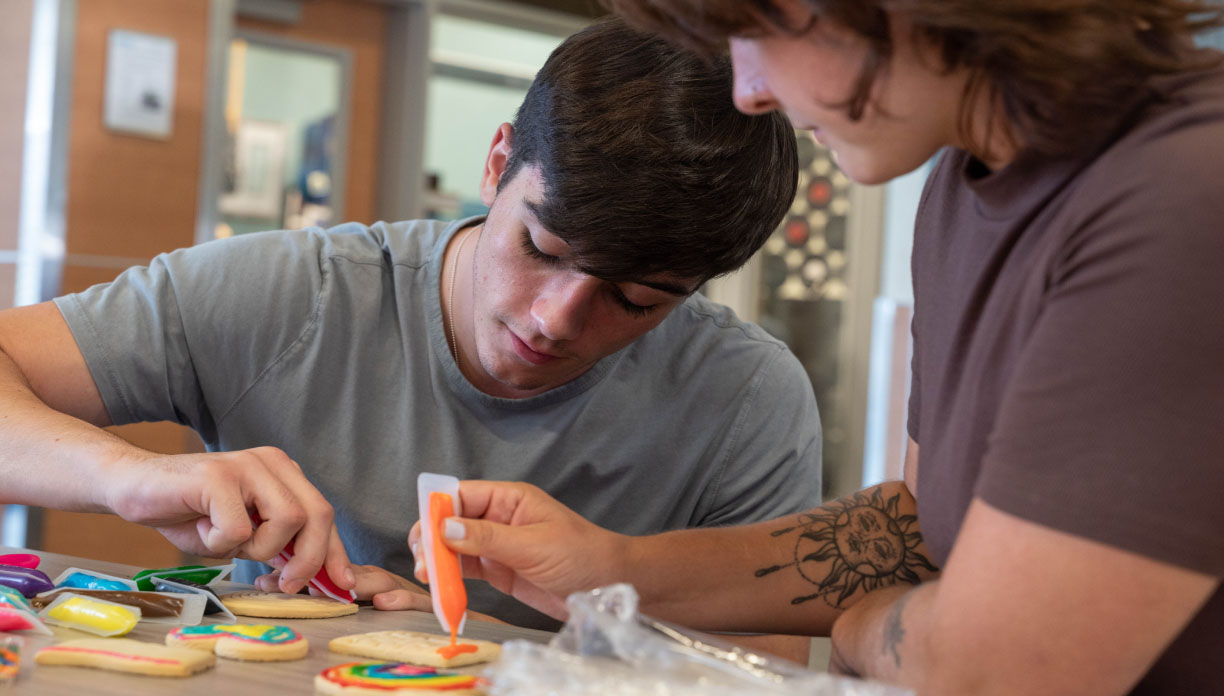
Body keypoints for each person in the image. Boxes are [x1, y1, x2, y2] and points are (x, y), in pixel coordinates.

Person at [404, 1, 1224, 692]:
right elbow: (922, 529)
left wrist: (865, 631)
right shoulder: (957, 186)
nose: (751, 91)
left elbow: (999, 665)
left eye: (758, 31)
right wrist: (613, 568)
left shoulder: (1181, 195)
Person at [0, 18, 821, 631]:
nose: (555, 318)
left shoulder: (747, 397)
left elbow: (760, 677)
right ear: (498, 164)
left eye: (637, 301)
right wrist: (124, 477)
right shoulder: (293, 294)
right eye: (540, 246)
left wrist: (494, 649)